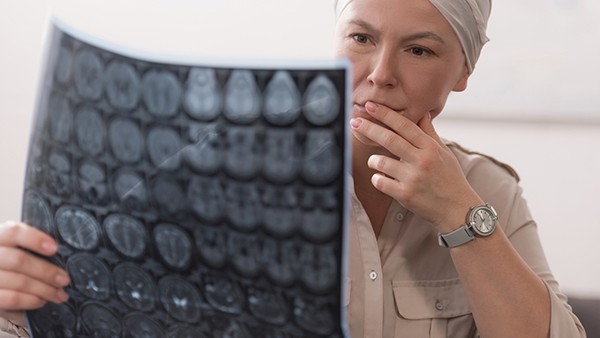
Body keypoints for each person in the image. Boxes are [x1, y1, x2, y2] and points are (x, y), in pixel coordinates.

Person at [0, 0, 587, 337]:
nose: (380, 73)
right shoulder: (218, 165)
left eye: (420, 49)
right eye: (361, 37)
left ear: (463, 72)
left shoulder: (489, 191)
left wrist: (459, 214)